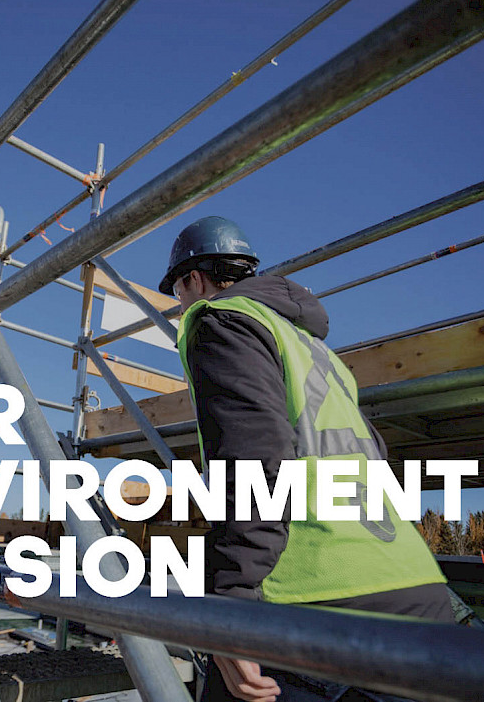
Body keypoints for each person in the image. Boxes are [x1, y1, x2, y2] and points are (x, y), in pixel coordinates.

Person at [159, 216, 454, 702]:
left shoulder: (220, 320)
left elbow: (252, 457)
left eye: (178, 293)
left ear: (193, 278)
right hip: (411, 585)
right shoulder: (316, 349)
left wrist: (230, 604)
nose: (182, 306)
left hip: (311, 594)